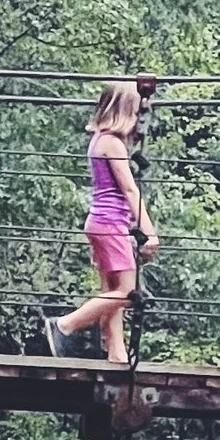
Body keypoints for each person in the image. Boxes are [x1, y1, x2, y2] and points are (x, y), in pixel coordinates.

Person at [43, 80, 159, 363]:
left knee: (111, 291)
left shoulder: (100, 140)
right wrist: (149, 231)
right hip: (110, 224)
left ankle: (116, 353)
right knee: (129, 292)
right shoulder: (112, 143)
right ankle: (64, 325)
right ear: (124, 112)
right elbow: (130, 189)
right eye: (136, 114)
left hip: (100, 222)